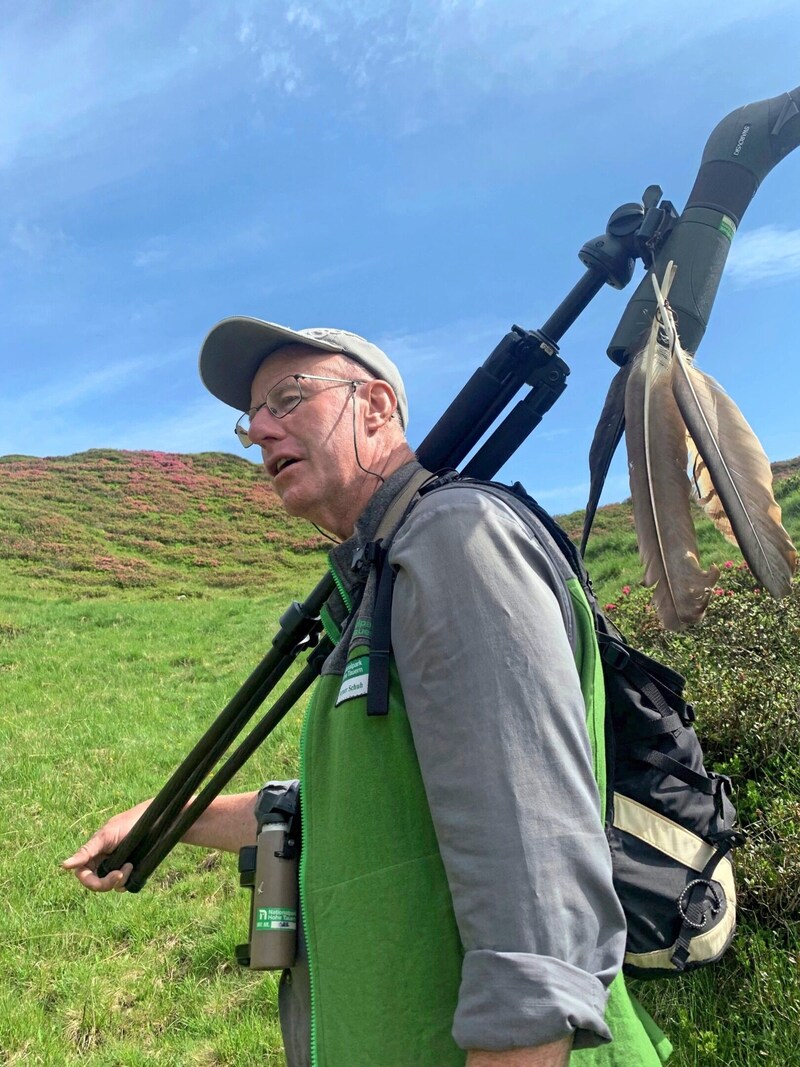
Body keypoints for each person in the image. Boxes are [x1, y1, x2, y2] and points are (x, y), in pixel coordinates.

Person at [64, 318, 669, 1066]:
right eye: (251, 417)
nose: (257, 431)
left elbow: (536, 881)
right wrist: (158, 819)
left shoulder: (453, 539)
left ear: (376, 407)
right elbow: (343, 813)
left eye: (287, 398)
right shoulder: (372, 588)